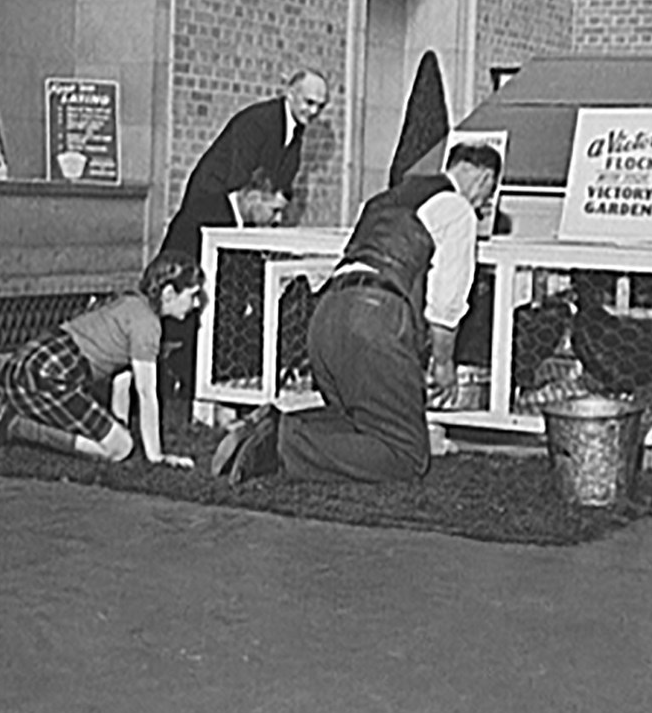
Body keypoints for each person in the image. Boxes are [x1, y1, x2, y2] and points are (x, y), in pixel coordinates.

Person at [210, 141, 503, 484]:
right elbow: (446, 306)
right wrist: (443, 364)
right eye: (489, 194)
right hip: (375, 317)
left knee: (360, 420)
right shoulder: (458, 211)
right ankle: (281, 445)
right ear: (483, 179)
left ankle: (268, 425)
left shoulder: (385, 200)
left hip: (325, 317)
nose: (484, 205)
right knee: (407, 454)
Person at [0, 251, 207, 468]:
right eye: (193, 295)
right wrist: (156, 456)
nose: (196, 304)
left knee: (119, 439)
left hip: (26, 366)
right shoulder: (148, 325)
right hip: (49, 372)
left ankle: (10, 412)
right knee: (120, 449)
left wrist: (118, 425)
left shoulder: (131, 303)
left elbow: (121, 380)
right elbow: (146, 393)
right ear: (168, 294)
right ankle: (15, 426)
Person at [159, 68, 329, 262]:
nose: (314, 112)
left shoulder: (295, 129)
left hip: (238, 207)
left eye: (320, 106)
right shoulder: (258, 122)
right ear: (290, 93)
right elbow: (240, 180)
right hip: (211, 204)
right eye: (309, 102)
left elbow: (282, 180)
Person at [157, 172, 289, 401]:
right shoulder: (202, 215)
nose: (277, 220)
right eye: (274, 210)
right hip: (189, 325)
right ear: (254, 198)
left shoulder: (245, 225)